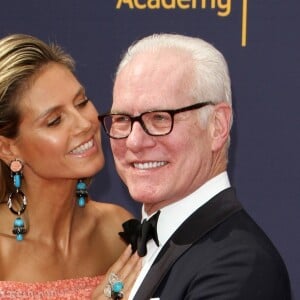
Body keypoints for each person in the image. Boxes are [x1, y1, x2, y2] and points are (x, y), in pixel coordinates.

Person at [99, 33, 292, 299]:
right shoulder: (136, 251)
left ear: (217, 126)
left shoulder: (241, 264)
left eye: (159, 118)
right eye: (122, 118)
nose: (134, 141)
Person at [0, 33, 140, 300]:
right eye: (54, 121)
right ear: (8, 148)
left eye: (82, 102)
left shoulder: (119, 231)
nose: (85, 123)